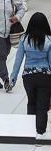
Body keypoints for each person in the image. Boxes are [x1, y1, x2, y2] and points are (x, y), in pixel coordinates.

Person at [9, 12, 51, 140]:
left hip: (28, 77)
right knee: (42, 105)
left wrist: (13, 78)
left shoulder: (24, 39)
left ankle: (29, 132)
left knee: (31, 102)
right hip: (44, 76)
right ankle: (40, 133)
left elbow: (18, 60)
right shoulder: (49, 40)